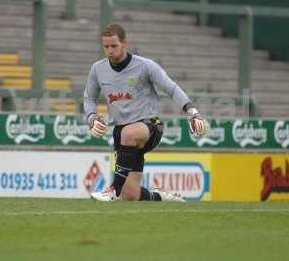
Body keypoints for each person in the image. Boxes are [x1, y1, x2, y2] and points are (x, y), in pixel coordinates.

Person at [83, 23, 209, 202]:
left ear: (124, 43)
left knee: (129, 133)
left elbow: (171, 88)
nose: (109, 50)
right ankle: (160, 196)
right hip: (121, 131)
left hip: (150, 126)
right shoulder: (98, 69)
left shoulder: (145, 66)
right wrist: (91, 117)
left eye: (114, 46)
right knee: (131, 195)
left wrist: (192, 111)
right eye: (106, 46)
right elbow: (89, 98)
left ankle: (112, 190)